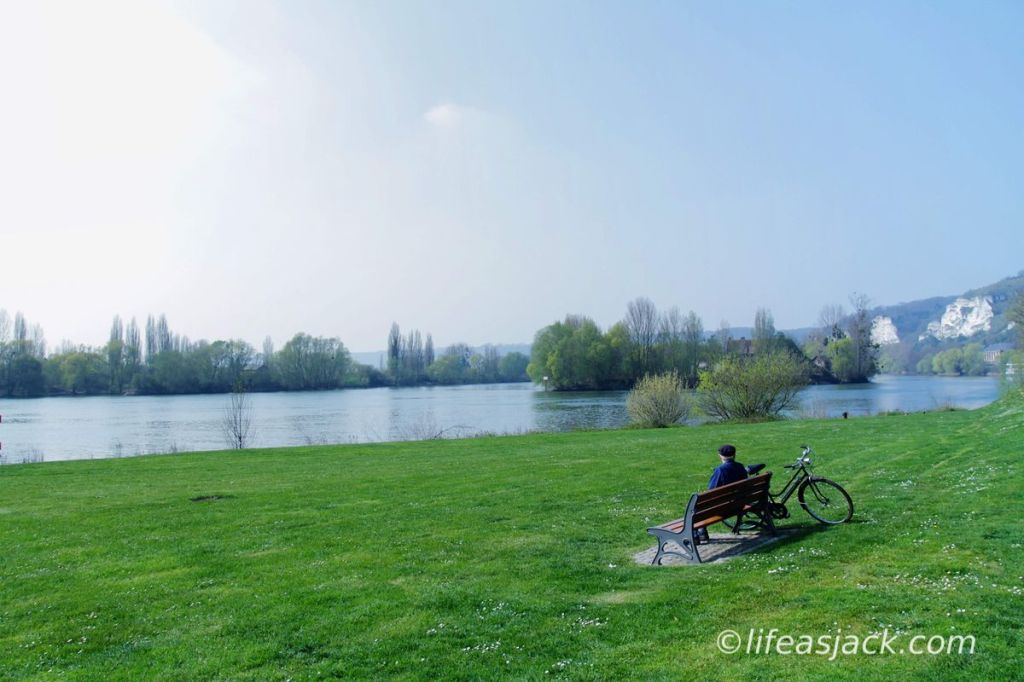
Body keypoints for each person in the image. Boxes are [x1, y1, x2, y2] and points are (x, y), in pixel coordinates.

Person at [695, 445, 748, 543]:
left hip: (724, 507)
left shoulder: (720, 470)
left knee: (695, 507)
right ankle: (701, 531)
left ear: (720, 456)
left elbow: (712, 491)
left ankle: (698, 534)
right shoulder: (740, 466)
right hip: (740, 503)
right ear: (734, 454)